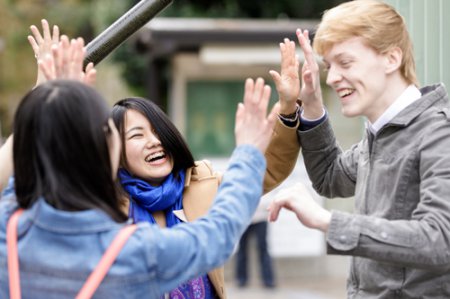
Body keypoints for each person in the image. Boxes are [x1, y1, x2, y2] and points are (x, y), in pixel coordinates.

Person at [25, 20, 298, 299]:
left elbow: (267, 170)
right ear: (115, 150)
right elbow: (42, 175)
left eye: (158, 131)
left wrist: (288, 109)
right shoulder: (101, 202)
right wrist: (46, 93)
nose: (154, 141)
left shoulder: (200, 183)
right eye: (137, 135)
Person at [267, 0, 450, 298]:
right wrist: (311, 101)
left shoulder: (439, 133)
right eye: (329, 66)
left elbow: (441, 240)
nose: (332, 77)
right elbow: (330, 177)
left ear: (391, 58)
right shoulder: (379, 136)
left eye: (345, 62)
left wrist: (328, 222)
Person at [235, 194, 276, 289]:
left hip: (261, 217)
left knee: (263, 249)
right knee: (242, 249)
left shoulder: (264, 180)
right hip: (243, 218)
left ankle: (268, 280)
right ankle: (241, 279)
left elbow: (269, 196)